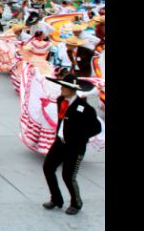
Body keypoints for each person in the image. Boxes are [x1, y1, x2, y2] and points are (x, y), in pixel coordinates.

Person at [42, 74, 102, 215]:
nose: (61, 88)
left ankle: (76, 203)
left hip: (75, 147)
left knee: (68, 175)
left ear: (72, 89)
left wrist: (80, 138)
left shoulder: (85, 108)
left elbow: (96, 128)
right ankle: (56, 199)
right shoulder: (60, 100)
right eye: (62, 86)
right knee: (48, 168)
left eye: (64, 87)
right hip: (59, 143)